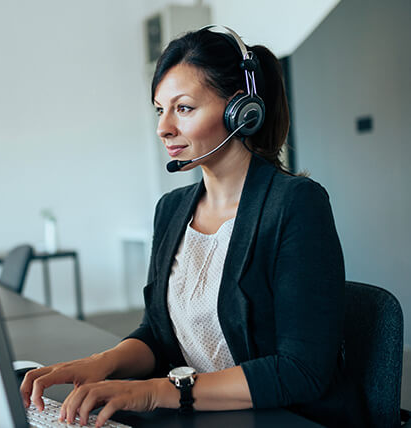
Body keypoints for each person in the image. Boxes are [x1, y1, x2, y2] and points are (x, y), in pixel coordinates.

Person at [20, 26, 366, 428]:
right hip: (204, 416)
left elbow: (300, 370)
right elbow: (159, 333)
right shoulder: (171, 209)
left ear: (241, 110)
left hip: (287, 417)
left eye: (183, 108)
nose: (163, 127)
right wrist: (100, 363)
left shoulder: (295, 204)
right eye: (159, 109)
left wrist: (156, 392)